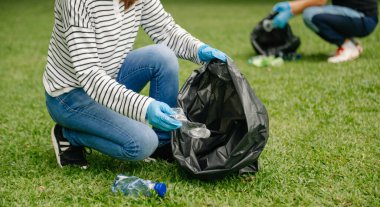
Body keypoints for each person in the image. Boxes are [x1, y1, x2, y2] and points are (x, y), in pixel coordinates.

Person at [43, 0, 228, 168]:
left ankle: (163, 143)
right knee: (142, 143)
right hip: (70, 96)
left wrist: (200, 50)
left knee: (163, 57)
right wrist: (145, 107)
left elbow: (166, 30)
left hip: (110, 80)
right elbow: (90, 75)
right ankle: (69, 134)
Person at [271, 0, 378, 63]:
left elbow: (320, 0)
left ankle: (348, 47)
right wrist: (292, 5)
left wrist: (291, 9)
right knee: (317, 12)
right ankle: (353, 44)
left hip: (363, 18)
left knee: (310, 15)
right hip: (359, 16)